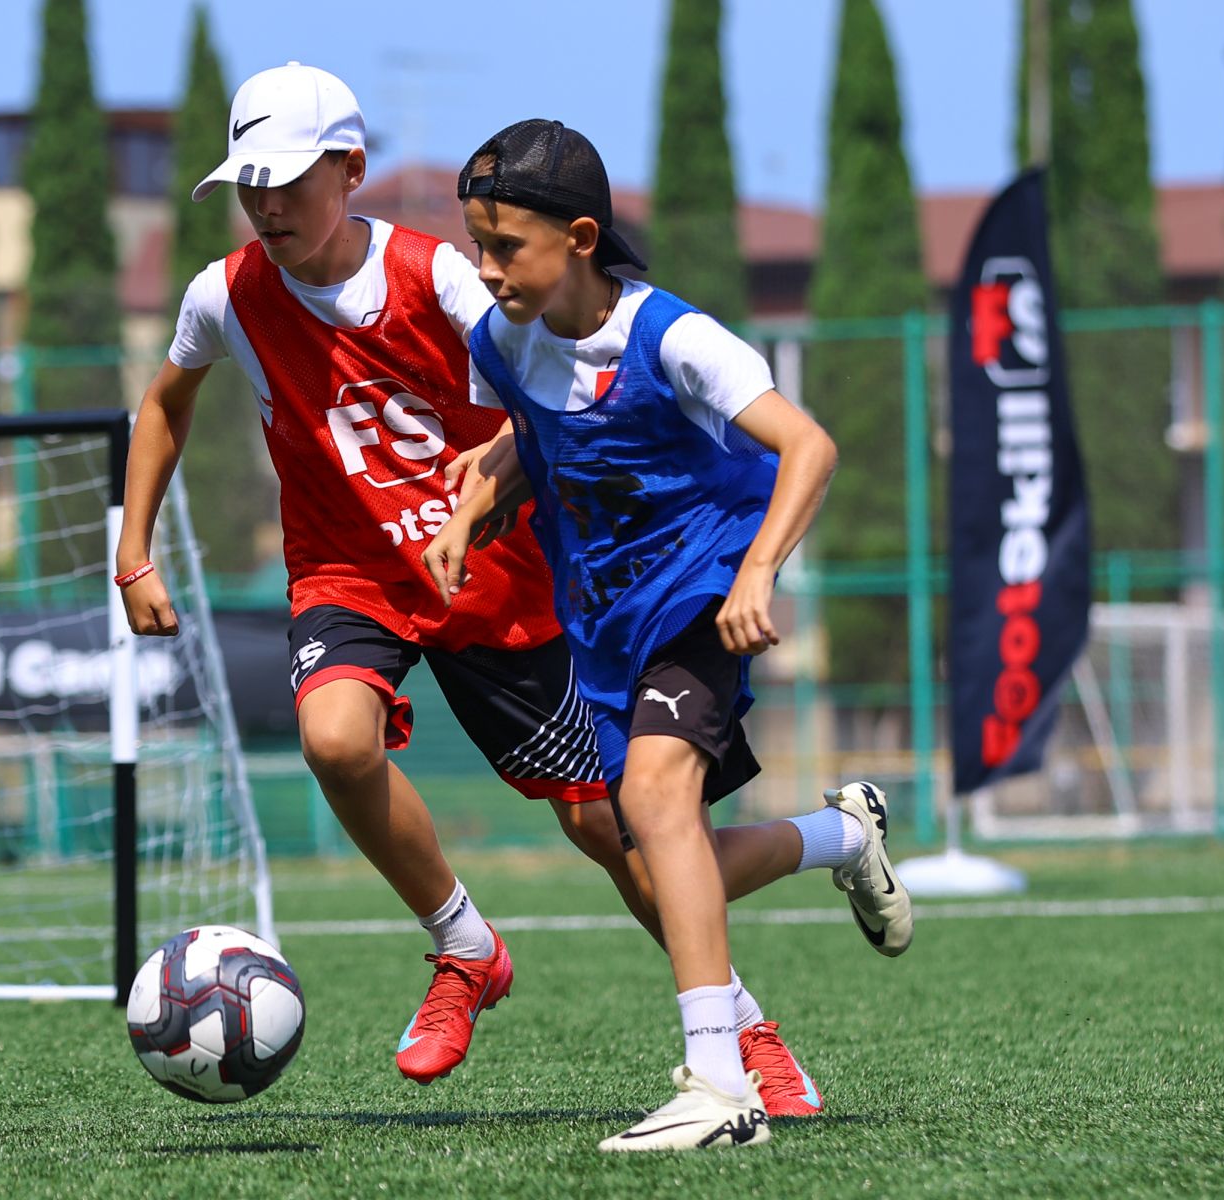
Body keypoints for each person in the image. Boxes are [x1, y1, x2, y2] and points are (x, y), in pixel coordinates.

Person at [114, 63, 827, 1106]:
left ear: (350, 170)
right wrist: (134, 549)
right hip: (348, 571)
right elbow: (165, 404)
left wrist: (492, 490)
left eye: (286, 179)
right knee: (334, 738)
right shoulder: (222, 295)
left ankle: (751, 1020)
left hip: (496, 583)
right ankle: (464, 946)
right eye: (246, 182)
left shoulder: (451, 280)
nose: (265, 203)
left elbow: (543, 402)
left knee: (613, 830)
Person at [424, 119, 913, 1151]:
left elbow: (808, 447)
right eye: (477, 244)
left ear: (584, 237)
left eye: (505, 246)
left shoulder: (674, 338)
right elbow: (533, 433)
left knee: (651, 801)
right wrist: (475, 510)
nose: (486, 267)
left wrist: (757, 573)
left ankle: (721, 1086)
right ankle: (842, 838)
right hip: (602, 621)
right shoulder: (501, 343)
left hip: (699, 598)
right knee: (651, 856)